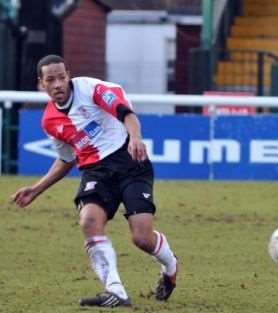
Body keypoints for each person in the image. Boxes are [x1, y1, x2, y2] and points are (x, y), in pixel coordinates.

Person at [11, 55, 178, 308]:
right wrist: (36, 189)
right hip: (96, 172)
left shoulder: (91, 89)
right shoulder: (50, 122)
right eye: (50, 79)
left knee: (142, 238)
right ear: (41, 84)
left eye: (61, 77)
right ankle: (116, 291)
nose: (57, 84)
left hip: (130, 161)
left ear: (69, 75)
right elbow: (66, 159)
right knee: (89, 221)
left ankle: (171, 266)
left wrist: (135, 137)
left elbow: (127, 114)